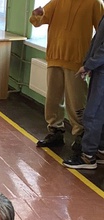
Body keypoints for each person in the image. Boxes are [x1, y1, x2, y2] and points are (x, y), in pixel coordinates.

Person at [30, 0, 104, 151]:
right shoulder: (57, 2)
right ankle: (55, 131)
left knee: (76, 101)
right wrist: (37, 14)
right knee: (53, 99)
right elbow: (37, 22)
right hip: (54, 56)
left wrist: (92, 61)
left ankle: (81, 136)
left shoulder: (94, 3)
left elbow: (101, 35)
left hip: (77, 61)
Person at [63, 15, 104, 170]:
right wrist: (88, 63)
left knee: (92, 115)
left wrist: (89, 65)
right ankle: (100, 151)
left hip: (102, 72)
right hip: (99, 69)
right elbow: (97, 41)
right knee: (99, 114)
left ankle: (88, 157)